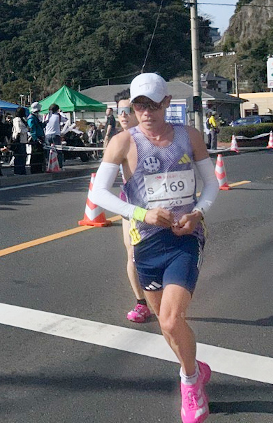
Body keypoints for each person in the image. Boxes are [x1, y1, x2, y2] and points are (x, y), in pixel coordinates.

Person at [89, 73, 218, 423]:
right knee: (165, 324)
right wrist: (142, 213)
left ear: (166, 103)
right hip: (146, 242)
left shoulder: (189, 136)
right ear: (133, 106)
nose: (146, 111)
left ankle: (190, 383)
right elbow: (98, 194)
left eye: (153, 104)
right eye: (139, 105)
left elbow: (212, 183)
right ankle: (195, 366)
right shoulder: (122, 142)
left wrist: (197, 213)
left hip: (184, 238)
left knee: (173, 318)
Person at [110, 89, 150, 323]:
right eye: (119, 111)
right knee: (133, 253)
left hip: (159, 206)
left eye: (127, 110)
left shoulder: (152, 138)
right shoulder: (119, 141)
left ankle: (166, 296)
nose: (123, 115)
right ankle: (141, 302)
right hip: (130, 206)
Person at [44, 103, 65, 167]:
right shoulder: (58, 116)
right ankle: (59, 165)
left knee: (48, 151)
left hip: (47, 135)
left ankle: (49, 165)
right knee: (58, 151)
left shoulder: (47, 115)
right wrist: (61, 112)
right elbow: (65, 119)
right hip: (56, 135)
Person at [27, 102, 46, 174]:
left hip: (39, 137)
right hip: (35, 139)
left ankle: (39, 168)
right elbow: (32, 129)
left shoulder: (35, 117)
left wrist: (44, 123)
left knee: (39, 155)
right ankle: (34, 169)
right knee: (35, 155)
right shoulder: (31, 118)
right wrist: (36, 139)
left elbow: (39, 127)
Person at [11, 107, 29, 175]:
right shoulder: (17, 120)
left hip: (23, 140)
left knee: (23, 156)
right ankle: (18, 171)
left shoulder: (23, 119)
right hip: (19, 140)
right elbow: (19, 130)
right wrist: (26, 130)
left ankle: (22, 170)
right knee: (19, 156)